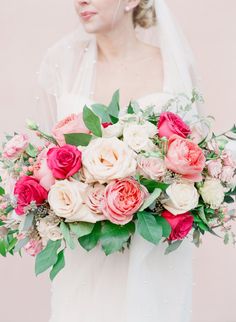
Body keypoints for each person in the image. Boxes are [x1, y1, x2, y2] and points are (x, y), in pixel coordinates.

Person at [37, 1, 200, 321]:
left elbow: (197, 164)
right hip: (86, 256)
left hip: (154, 255)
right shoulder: (61, 64)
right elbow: (44, 161)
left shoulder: (173, 65)